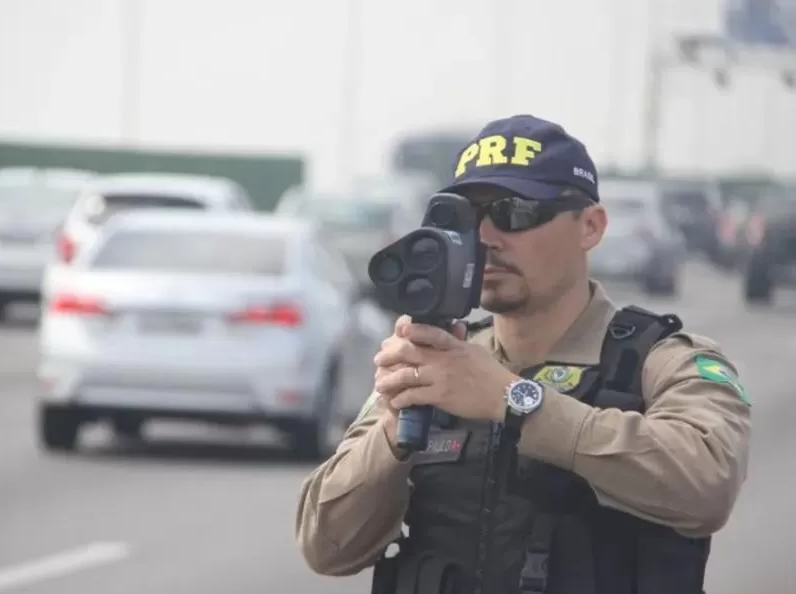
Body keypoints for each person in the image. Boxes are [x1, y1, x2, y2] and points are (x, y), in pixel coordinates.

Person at [294, 114, 752, 594]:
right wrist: (394, 426)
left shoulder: (663, 362)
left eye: (515, 213)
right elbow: (325, 546)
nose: (486, 237)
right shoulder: (436, 361)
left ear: (590, 226)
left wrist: (516, 402)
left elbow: (707, 485)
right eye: (470, 216)